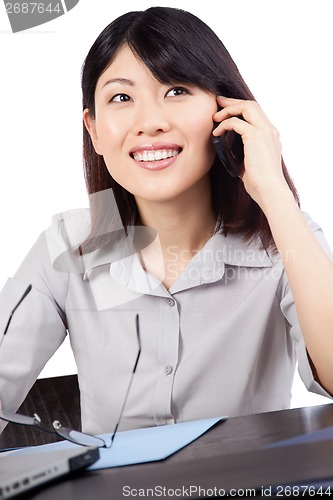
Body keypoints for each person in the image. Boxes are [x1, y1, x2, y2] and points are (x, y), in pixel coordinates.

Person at [0, 6, 332, 437]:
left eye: (176, 90)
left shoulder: (285, 238)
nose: (151, 123)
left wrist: (274, 193)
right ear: (95, 130)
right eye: (122, 97)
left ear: (225, 111)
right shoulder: (68, 245)